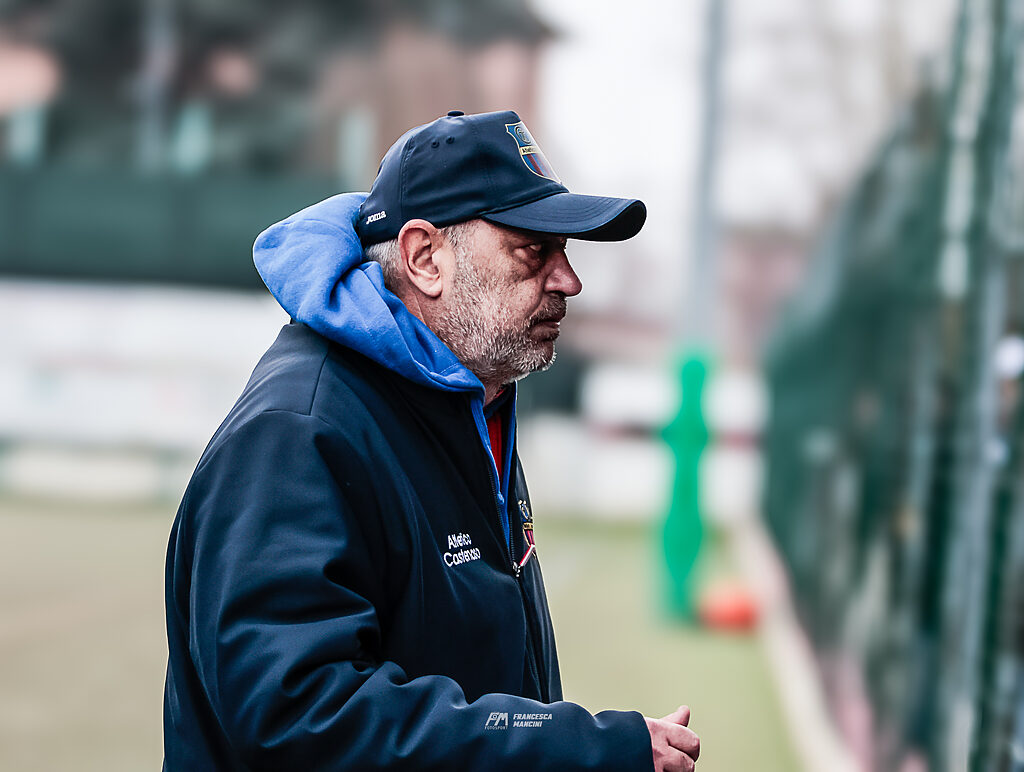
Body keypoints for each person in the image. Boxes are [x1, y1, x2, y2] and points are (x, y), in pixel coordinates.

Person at [162, 109, 700, 772]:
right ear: (424, 258)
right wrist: (578, 749)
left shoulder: (465, 403)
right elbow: (297, 717)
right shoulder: (300, 433)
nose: (569, 279)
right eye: (533, 250)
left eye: (564, 252)